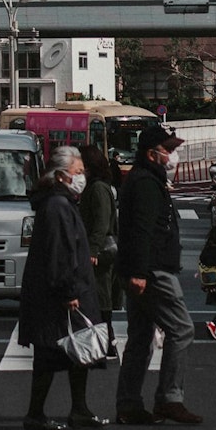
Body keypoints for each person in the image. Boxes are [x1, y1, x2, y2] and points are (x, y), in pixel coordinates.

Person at [116, 126, 202, 425]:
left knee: (141, 337)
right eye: (168, 149)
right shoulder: (146, 184)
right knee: (182, 329)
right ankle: (169, 398)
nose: (172, 155)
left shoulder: (144, 180)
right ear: (152, 152)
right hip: (153, 270)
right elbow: (142, 230)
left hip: (142, 268)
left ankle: (129, 403)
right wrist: (140, 272)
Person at [17, 146, 106, 430]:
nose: (81, 177)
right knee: (52, 354)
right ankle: (37, 413)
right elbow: (59, 252)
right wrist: (68, 292)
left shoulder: (61, 202)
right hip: (59, 294)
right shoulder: (57, 206)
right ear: (60, 176)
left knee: (76, 352)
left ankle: (77, 409)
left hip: (61, 290)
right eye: (77, 172)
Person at [78, 144, 120, 353]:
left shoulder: (97, 189)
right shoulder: (97, 187)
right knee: (99, 297)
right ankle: (106, 340)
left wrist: (93, 250)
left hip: (101, 252)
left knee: (101, 297)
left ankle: (108, 341)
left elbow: (102, 223)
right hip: (98, 250)